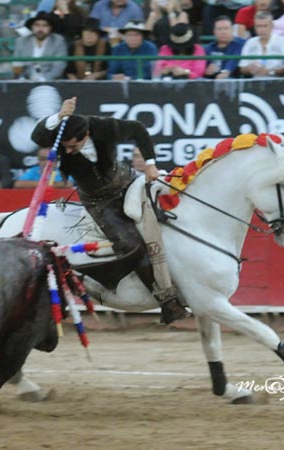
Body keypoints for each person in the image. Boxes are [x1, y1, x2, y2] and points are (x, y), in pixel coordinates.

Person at [31, 96, 189, 325]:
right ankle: (167, 301)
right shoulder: (61, 132)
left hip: (127, 181)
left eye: (73, 146)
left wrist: (150, 164)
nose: (69, 151)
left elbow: (138, 129)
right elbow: (37, 136)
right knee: (131, 244)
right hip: (99, 201)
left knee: (173, 212)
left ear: (86, 135)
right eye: (66, 147)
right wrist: (58, 116)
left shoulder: (102, 127)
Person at [239, 12, 284, 78]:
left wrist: (270, 72)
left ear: (272, 26)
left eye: (265, 26)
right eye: (258, 26)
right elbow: (242, 68)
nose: (262, 30)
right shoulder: (250, 43)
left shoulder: (282, 42)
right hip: (255, 81)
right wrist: (249, 69)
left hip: (278, 81)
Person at [12, 11, 68, 81]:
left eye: (45, 25)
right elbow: (17, 65)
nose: (40, 29)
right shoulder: (21, 41)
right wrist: (23, 78)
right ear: (32, 26)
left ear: (50, 28)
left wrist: (43, 79)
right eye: (37, 25)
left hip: (51, 81)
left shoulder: (58, 41)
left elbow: (59, 66)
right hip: (26, 80)